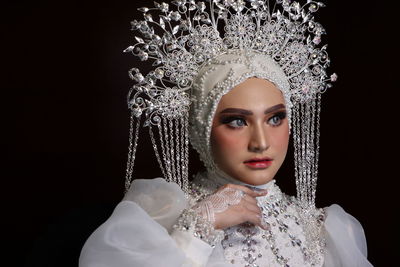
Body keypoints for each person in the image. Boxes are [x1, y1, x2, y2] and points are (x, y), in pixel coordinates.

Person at [79, 1, 372, 266]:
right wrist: (197, 230)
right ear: (200, 128)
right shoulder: (159, 220)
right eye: (236, 121)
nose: (261, 143)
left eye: (275, 118)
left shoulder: (327, 230)